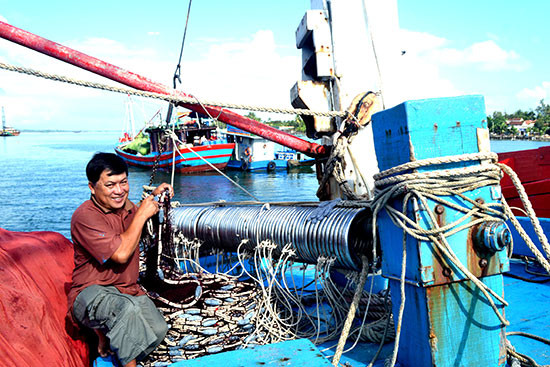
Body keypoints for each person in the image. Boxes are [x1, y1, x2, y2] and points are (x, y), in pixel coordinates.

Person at [68, 152, 173, 367]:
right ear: (92, 187)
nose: (119, 191)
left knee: (158, 329)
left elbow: (138, 223)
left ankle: (109, 337)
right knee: (126, 310)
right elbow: (121, 254)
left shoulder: (126, 208)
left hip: (126, 290)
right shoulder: (85, 216)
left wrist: (154, 197)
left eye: (123, 182)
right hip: (90, 293)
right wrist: (142, 215)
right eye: (110, 185)